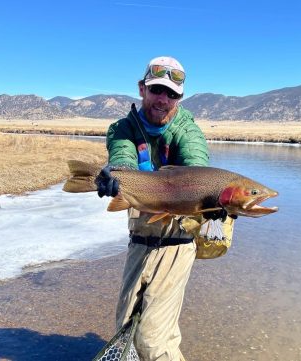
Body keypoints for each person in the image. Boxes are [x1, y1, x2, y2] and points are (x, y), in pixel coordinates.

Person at [96, 56, 224, 361]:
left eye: (172, 94)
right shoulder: (122, 128)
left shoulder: (188, 131)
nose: (163, 100)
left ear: (180, 98)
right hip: (139, 240)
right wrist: (114, 175)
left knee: (153, 340)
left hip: (177, 242)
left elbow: (196, 167)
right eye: (156, 90)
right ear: (142, 89)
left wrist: (211, 199)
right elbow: (123, 158)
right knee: (126, 327)